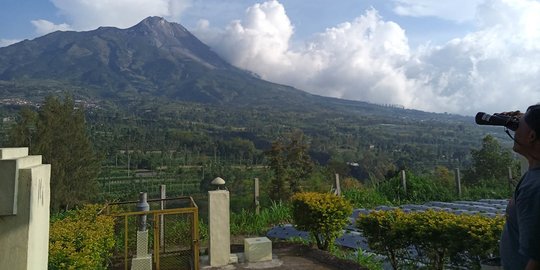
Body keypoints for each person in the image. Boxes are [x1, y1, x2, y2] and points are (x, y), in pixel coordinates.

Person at [499, 104, 540, 270]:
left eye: (519, 125)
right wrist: (524, 118)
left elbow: (537, 259)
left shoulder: (534, 188)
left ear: (531, 136)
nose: (515, 129)